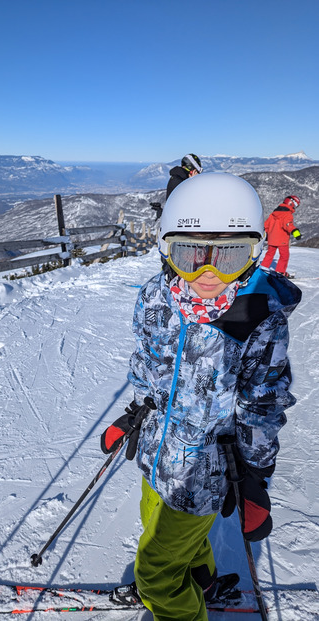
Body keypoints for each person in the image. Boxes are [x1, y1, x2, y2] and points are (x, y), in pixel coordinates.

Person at [101, 173, 301, 621]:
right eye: (191, 253)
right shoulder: (156, 296)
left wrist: (255, 474)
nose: (207, 273)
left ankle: (174, 597)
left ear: (253, 251)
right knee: (151, 522)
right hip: (155, 450)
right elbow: (150, 361)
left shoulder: (255, 318)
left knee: (154, 572)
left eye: (230, 255)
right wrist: (136, 412)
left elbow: (262, 405)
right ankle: (201, 579)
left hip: (206, 472)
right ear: (166, 248)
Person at [261, 195, 301, 277]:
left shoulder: (274, 213)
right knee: (284, 256)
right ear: (291, 204)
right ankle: (280, 272)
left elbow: (266, 225)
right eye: (296, 205)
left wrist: (267, 234)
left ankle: (263, 269)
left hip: (272, 239)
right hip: (282, 239)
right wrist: (296, 232)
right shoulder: (287, 214)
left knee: (269, 254)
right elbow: (287, 225)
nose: (295, 208)